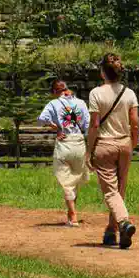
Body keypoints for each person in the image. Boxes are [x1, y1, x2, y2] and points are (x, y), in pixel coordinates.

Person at [86, 52, 139, 249]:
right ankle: (111, 230)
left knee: (110, 191)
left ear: (102, 72)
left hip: (105, 145)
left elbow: (94, 125)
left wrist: (88, 150)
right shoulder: (129, 93)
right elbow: (135, 124)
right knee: (119, 190)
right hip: (125, 144)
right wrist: (132, 144)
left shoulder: (96, 93)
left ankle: (124, 222)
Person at [39, 78, 90, 226]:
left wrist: (56, 128)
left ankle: (72, 215)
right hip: (79, 142)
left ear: (55, 91)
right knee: (75, 179)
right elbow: (87, 125)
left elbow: (42, 119)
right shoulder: (81, 103)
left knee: (66, 181)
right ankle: (71, 212)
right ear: (67, 89)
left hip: (64, 143)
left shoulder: (53, 103)